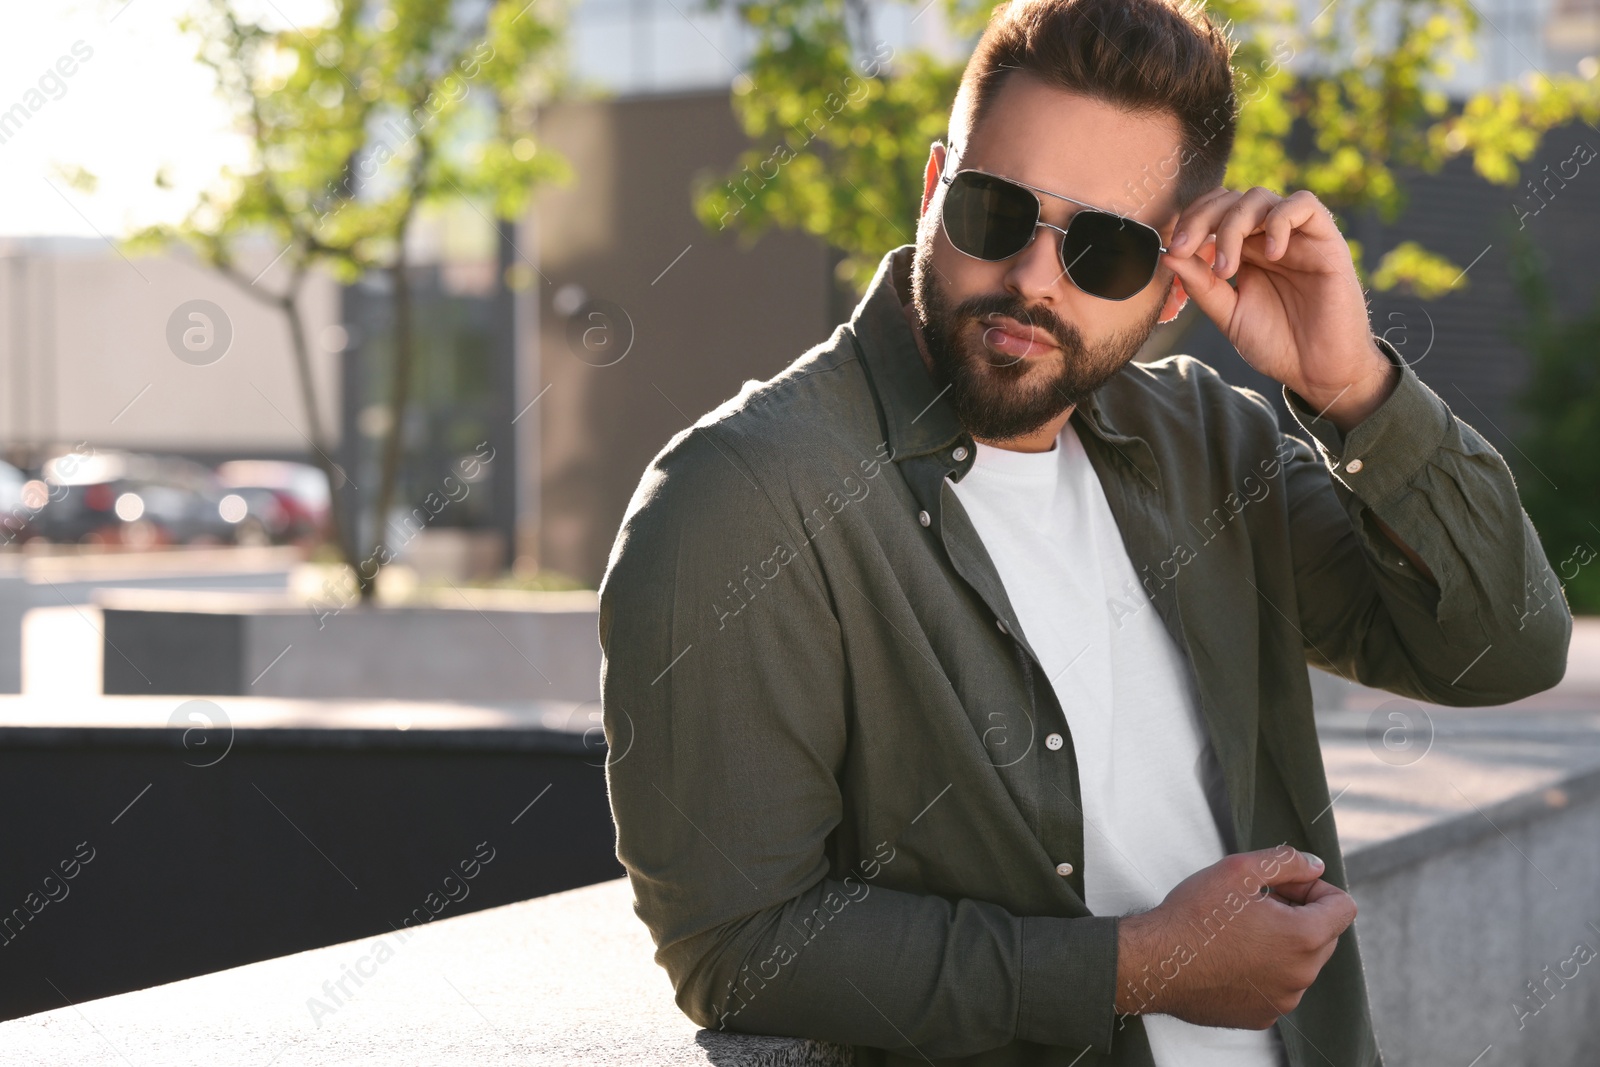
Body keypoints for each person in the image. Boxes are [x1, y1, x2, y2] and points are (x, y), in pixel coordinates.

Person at [595, 0, 1572, 1062]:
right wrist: (1137, 966)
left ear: (1170, 286)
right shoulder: (742, 497)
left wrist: (1354, 390)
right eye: (992, 211)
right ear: (931, 191)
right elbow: (738, 947)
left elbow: (1502, 647)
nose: (1030, 277)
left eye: (1104, 250)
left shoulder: (1210, 442)